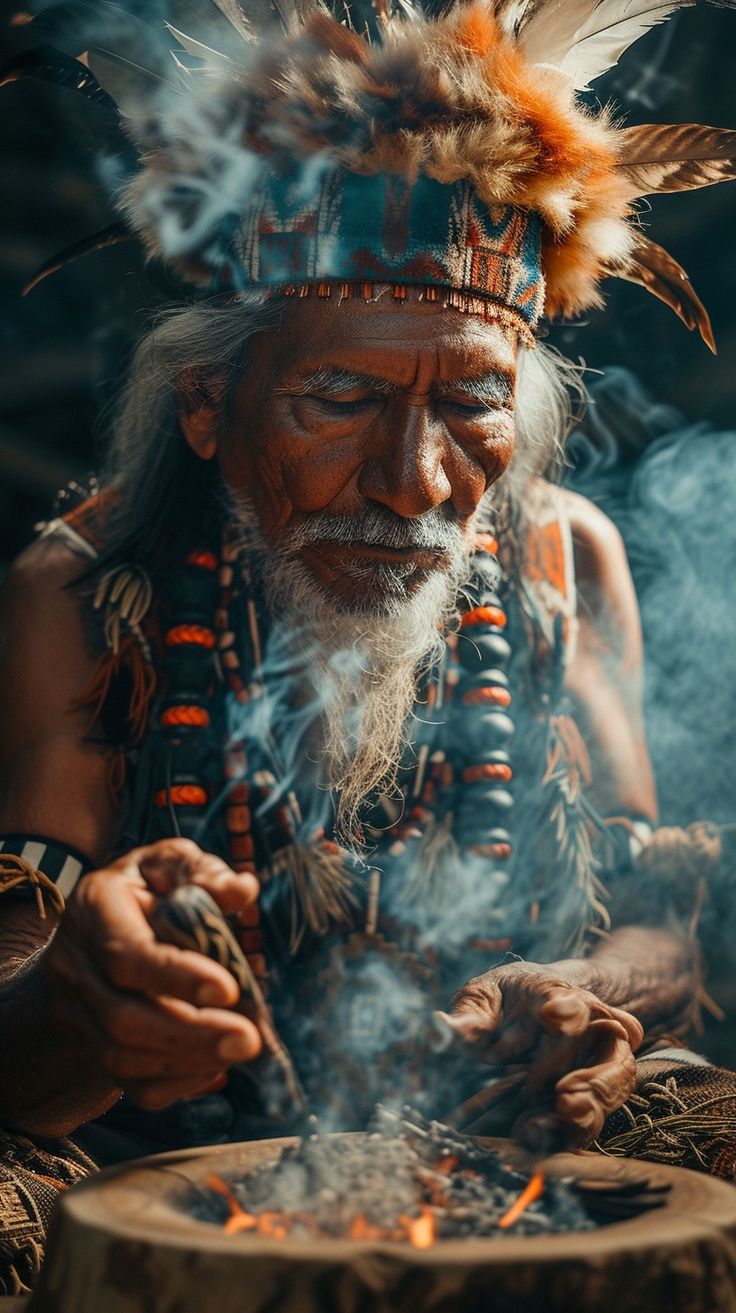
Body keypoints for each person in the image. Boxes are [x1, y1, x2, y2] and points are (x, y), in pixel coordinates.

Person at [1, 0, 734, 1292]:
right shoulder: (83, 595)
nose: (411, 480)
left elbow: (659, 926)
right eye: (339, 398)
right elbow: (14, 1004)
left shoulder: (565, 566)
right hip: (147, 1160)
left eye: (469, 405)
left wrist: (582, 995)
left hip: (489, 1147)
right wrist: (73, 1005)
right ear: (209, 407)